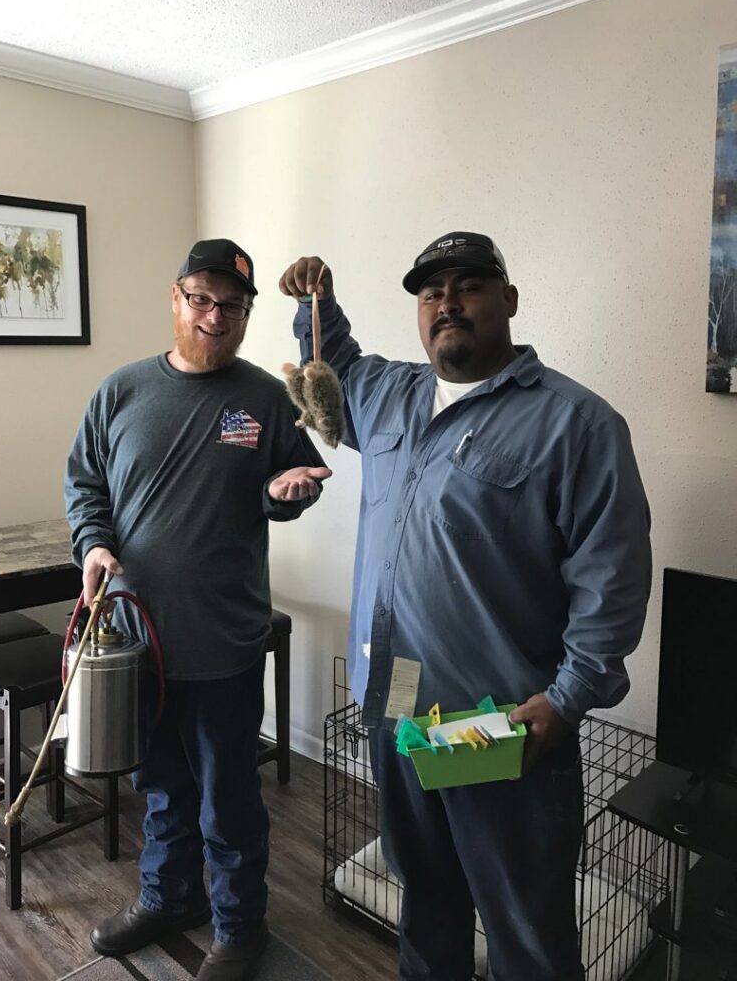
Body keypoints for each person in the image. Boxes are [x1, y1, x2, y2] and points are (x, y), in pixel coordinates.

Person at [279, 232, 651, 981]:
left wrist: (569, 698)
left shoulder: (578, 425)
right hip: (399, 706)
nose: (446, 302)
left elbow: (610, 583)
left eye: (469, 285)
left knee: (525, 932)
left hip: (497, 726)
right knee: (426, 901)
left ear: (508, 300)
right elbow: (335, 370)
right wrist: (315, 302)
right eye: (430, 291)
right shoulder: (390, 395)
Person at [66, 238, 330, 981]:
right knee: (160, 788)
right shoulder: (120, 392)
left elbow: (287, 484)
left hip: (224, 642)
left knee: (228, 799)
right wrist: (92, 544)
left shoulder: (264, 400)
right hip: (138, 645)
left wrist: (287, 497)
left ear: (247, 315)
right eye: (203, 300)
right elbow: (84, 483)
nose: (217, 315)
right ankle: (168, 898)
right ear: (176, 300)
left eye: (234, 306)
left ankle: (241, 926)